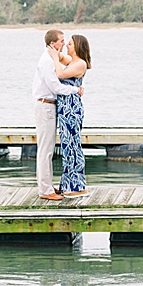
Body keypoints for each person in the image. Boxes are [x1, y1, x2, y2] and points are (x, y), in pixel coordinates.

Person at [31, 29, 82, 200]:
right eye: (61, 41)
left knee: (48, 149)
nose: (64, 43)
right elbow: (56, 87)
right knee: (45, 150)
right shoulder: (47, 61)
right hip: (45, 106)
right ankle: (45, 191)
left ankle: (47, 186)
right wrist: (76, 90)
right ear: (53, 43)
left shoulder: (51, 58)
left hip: (50, 106)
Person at [54, 33, 92, 195]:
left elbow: (60, 74)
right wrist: (54, 49)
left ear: (77, 47)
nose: (67, 46)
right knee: (67, 145)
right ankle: (68, 184)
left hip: (72, 109)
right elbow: (62, 58)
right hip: (65, 109)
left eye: (69, 44)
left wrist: (54, 59)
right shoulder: (73, 61)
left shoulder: (80, 64)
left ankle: (77, 186)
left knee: (72, 146)